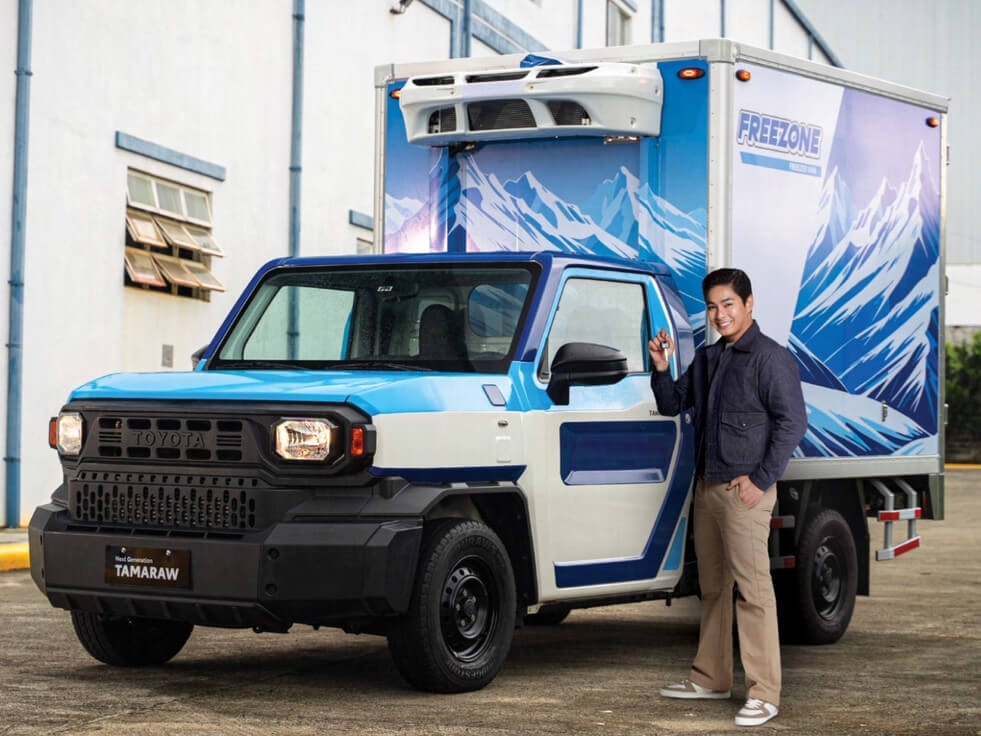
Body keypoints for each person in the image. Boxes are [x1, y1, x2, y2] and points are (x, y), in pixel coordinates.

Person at [648, 268, 806, 728]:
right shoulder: (707, 358)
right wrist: (662, 367)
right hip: (707, 488)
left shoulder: (771, 359)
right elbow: (672, 404)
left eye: (728, 305)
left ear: (749, 303)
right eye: (713, 307)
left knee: (753, 592)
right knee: (714, 590)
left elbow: (792, 423)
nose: (719, 314)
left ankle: (764, 693)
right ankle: (711, 678)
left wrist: (760, 481)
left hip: (744, 494)